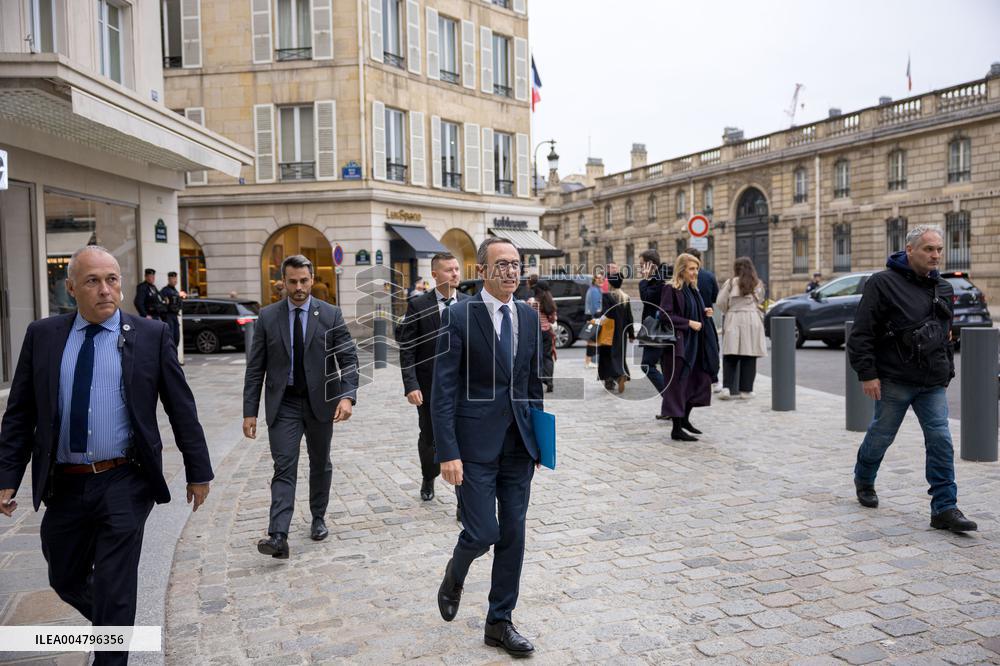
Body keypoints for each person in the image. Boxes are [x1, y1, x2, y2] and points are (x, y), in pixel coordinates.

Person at [0, 246, 213, 666]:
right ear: (71, 288)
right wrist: (7, 474)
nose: (105, 290)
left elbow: (180, 407)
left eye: (112, 279)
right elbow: (21, 412)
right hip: (64, 482)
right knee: (64, 576)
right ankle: (116, 628)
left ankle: (111, 646)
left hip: (125, 479)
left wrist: (198, 471)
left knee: (116, 585)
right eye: (93, 281)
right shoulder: (43, 336)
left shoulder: (151, 337)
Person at [432, 237, 544, 657]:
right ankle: (455, 573)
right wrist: (447, 452)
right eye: (502, 265)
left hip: (518, 446)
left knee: (513, 533)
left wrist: (538, 444)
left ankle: (499, 622)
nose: (511, 272)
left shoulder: (528, 318)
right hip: (473, 447)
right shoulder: (459, 317)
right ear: (482, 271)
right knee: (482, 532)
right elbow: (443, 390)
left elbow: (533, 386)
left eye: (516, 264)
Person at [847, 226, 977, 533]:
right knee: (881, 436)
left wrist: (946, 371)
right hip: (894, 379)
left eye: (939, 250)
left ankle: (944, 508)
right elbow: (862, 333)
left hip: (931, 382)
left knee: (941, 440)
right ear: (910, 249)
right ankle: (864, 478)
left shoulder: (943, 288)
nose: (935, 255)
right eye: (928, 249)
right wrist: (868, 374)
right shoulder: (882, 283)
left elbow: (945, 337)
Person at [243, 254, 359, 559]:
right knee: (284, 466)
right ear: (283, 282)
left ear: (311, 280)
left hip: (321, 403)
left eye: (304, 281)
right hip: (284, 404)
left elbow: (348, 359)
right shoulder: (268, 317)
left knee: (320, 462)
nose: (298, 287)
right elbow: (255, 368)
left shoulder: (330, 315)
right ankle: (278, 534)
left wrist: (347, 396)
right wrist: (249, 411)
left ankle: (318, 516)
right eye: (292, 281)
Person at [396, 252, 469, 511]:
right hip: (429, 388)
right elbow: (407, 350)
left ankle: (464, 500)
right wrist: (411, 385)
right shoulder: (418, 306)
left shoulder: (470, 304)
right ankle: (429, 476)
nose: (455, 274)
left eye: (457, 269)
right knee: (429, 438)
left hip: (463, 389)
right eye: (449, 270)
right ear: (435, 274)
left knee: (464, 440)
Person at [660, 253, 720, 441]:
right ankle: (676, 429)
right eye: (692, 269)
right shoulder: (671, 289)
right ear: (682, 270)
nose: (695, 273)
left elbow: (692, 310)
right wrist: (688, 323)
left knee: (700, 381)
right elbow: (665, 315)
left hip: (696, 345)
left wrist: (705, 312)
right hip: (679, 346)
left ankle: (684, 419)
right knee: (678, 386)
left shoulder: (693, 289)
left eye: (697, 269)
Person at [716, 257, 767, 399]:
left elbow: (720, 302)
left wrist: (730, 310)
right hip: (752, 319)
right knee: (749, 354)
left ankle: (726, 388)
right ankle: (746, 390)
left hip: (734, 318)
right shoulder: (758, 284)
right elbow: (760, 300)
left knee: (730, 354)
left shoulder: (731, 282)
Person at [638, 249, 668, 409]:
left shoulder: (659, 280)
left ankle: (670, 398)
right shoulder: (658, 279)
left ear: (651, 265)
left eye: (642, 265)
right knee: (663, 365)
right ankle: (670, 406)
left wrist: (645, 279)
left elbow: (648, 299)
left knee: (647, 365)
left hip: (657, 327)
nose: (641, 268)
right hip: (658, 327)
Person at [597, 271, 635, 393]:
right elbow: (630, 317)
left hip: (609, 332)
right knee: (619, 356)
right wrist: (631, 334)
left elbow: (605, 314)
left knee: (606, 356)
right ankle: (621, 374)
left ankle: (612, 380)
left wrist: (597, 317)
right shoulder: (625, 297)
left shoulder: (607, 296)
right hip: (622, 333)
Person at [529, 281, 558, 393]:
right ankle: (549, 380)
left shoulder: (531, 302)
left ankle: (540, 378)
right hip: (546, 333)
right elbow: (552, 319)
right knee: (547, 357)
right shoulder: (550, 302)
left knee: (536, 357)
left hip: (535, 333)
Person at [584, 275, 602, 369]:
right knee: (593, 341)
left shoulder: (592, 289)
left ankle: (588, 361)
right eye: (598, 279)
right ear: (594, 280)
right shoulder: (594, 290)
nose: (600, 280)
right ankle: (591, 361)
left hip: (590, 317)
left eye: (601, 278)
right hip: (594, 317)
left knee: (590, 340)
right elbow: (595, 307)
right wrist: (599, 316)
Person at [161, 270, 184, 345]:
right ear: (169, 279)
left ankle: (174, 355)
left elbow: (179, 303)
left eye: (176, 278)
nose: (175, 280)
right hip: (168, 316)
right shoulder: (165, 291)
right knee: (170, 338)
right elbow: (162, 304)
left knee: (176, 338)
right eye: (173, 278)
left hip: (175, 316)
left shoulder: (176, 291)